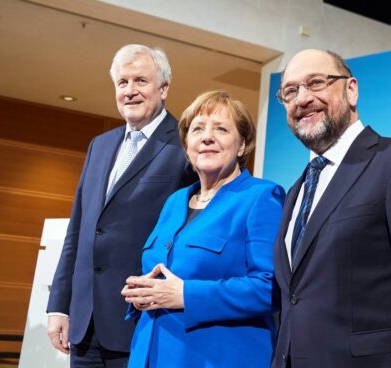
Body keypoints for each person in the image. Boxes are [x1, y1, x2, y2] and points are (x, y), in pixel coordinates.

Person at [271, 49, 391, 368]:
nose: (302, 99)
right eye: (290, 91)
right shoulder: (296, 191)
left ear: (351, 90)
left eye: (316, 83)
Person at [46, 44, 196, 367]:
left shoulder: (186, 146)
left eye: (140, 81)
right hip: (84, 327)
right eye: (122, 82)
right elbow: (79, 231)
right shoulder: (99, 146)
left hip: (143, 322)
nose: (130, 91)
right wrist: (59, 304)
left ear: (164, 87)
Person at [120, 90, 284, 368]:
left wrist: (185, 294)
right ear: (187, 146)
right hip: (149, 354)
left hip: (215, 357)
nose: (207, 137)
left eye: (221, 128)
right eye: (197, 129)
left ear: (242, 145)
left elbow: (270, 287)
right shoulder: (175, 201)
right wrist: (143, 294)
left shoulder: (262, 196)